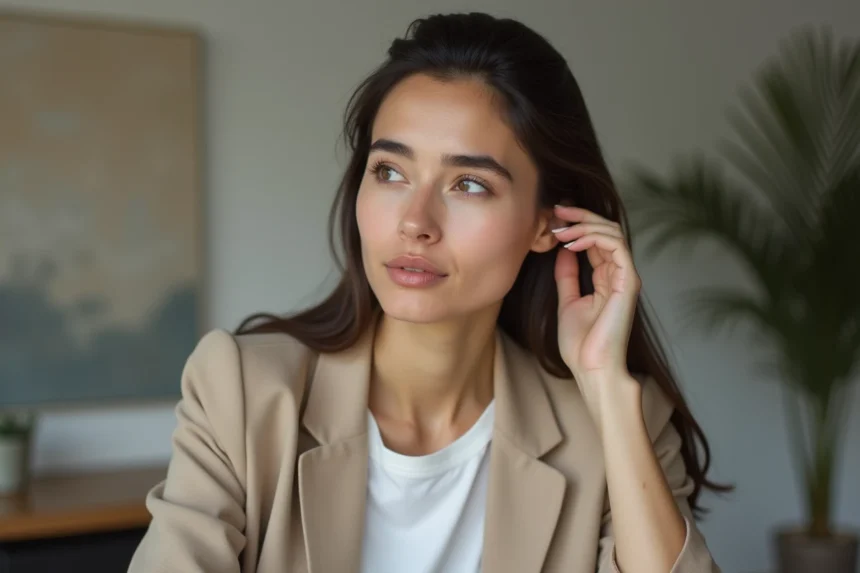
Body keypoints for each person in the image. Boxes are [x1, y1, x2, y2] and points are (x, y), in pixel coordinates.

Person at [128, 11, 729, 573]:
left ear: (548, 223)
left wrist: (606, 390)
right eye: (390, 172)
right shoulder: (242, 391)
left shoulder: (619, 421)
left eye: (468, 183)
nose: (416, 220)